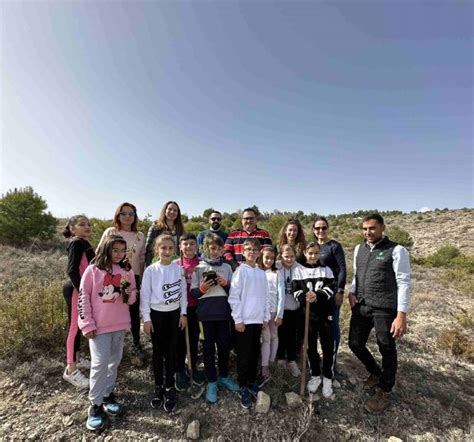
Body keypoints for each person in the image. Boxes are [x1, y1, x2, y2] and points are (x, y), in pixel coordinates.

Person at [348, 214, 411, 413]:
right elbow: (356, 274)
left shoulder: (396, 250)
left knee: (386, 347)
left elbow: (403, 282)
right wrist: (351, 291)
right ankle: (375, 372)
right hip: (362, 304)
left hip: (384, 308)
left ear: (382, 228)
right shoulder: (359, 249)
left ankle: (385, 389)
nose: (368, 232)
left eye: (372, 228)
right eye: (365, 229)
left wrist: (401, 315)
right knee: (354, 343)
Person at [78, 235, 137, 431]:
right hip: (98, 327)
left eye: (122, 251)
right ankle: (94, 405)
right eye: (115, 250)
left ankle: (107, 395)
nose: (119, 254)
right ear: (106, 249)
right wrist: (86, 323)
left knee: (114, 361)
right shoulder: (93, 270)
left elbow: (132, 298)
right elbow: (83, 296)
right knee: (99, 363)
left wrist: (128, 293)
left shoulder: (127, 270)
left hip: (119, 325)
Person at [141, 234, 187, 413]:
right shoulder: (151, 270)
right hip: (156, 315)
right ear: (156, 250)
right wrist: (146, 318)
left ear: (174, 250)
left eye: (170, 248)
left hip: (174, 315)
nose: (167, 251)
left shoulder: (178, 269)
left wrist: (183, 313)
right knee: (158, 353)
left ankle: (170, 387)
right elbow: (145, 295)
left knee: (172, 353)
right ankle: (158, 386)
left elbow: (182, 292)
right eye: (163, 248)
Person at [191, 233, 238, 404]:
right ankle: (212, 381)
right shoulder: (198, 267)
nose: (216, 251)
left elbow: (234, 291)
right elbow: (194, 292)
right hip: (205, 315)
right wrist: (202, 288)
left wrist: (226, 284)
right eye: (212, 248)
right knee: (208, 348)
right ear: (205, 248)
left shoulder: (227, 268)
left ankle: (224, 376)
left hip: (224, 314)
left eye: (219, 248)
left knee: (224, 346)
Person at [97, 202, 146, 363]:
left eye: (131, 213)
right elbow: (100, 253)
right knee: (110, 308)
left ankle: (136, 344)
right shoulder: (111, 232)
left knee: (133, 310)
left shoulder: (140, 236)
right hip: (111, 277)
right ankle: (106, 345)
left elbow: (141, 259)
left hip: (133, 277)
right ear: (118, 215)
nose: (127, 217)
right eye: (124, 213)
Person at [228, 238, 270, 409]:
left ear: (259, 252)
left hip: (258, 320)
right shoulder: (240, 271)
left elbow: (266, 297)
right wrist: (238, 319)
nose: (251, 252)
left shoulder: (261, 273)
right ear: (243, 252)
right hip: (243, 321)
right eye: (248, 249)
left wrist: (265, 317)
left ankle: (252, 381)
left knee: (254, 353)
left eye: (254, 249)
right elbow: (234, 297)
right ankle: (243, 385)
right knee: (244, 355)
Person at [293, 241, 335, 398]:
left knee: (327, 345)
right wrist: (305, 297)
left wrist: (318, 295)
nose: (313, 256)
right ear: (305, 253)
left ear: (319, 254)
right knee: (310, 346)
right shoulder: (298, 270)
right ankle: (316, 375)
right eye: (310, 253)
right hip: (308, 315)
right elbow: (295, 289)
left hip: (325, 314)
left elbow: (331, 288)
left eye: (316, 253)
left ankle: (328, 377)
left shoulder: (326, 270)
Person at [62, 215, 95, 389]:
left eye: (88, 224)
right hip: (76, 289)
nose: (86, 227)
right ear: (73, 228)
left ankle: (78, 358)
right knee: (74, 327)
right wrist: (82, 291)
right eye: (82, 224)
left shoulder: (83, 242)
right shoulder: (76, 242)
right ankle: (71, 369)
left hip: (80, 289)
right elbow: (72, 270)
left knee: (79, 326)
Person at [312, 216, 346, 373]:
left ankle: (332, 360)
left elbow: (342, 269)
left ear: (328, 228)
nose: (321, 231)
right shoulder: (312, 247)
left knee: (332, 326)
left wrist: (340, 291)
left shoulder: (334, 246)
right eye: (318, 228)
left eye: (323, 228)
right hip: (317, 295)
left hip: (332, 294)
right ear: (313, 230)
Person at [174, 233, 205, 391]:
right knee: (179, 340)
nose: (188, 247)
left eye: (192, 244)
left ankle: (192, 367)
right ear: (180, 246)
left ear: (197, 246)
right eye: (185, 244)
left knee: (193, 339)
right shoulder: (175, 264)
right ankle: (179, 370)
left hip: (196, 308)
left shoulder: (202, 264)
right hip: (179, 309)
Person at [275, 244, 303, 377]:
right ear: (281, 256)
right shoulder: (276, 267)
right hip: (280, 309)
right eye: (286, 256)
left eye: (292, 256)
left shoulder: (299, 268)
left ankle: (291, 360)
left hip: (294, 308)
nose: (289, 259)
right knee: (279, 334)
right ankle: (280, 358)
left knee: (292, 335)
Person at [258, 246, 284, 385]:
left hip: (274, 311)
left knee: (274, 336)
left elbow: (281, 295)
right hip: (261, 312)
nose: (269, 260)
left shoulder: (277, 273)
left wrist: (279, 314)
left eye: (272, 258)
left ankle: (271, 360)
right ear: (261, 257)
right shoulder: (257, 272)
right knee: (266, 338)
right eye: (266, 257)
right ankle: (264, 366)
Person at [145, 201, 184, 266]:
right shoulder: (155, 227)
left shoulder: (180, 229)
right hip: (158, 265)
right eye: (170, 209)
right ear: (165, 210)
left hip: (175, 265)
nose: (172, 212)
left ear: (178, 213)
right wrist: (150, 266)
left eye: (175, 210)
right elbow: (148, 250)